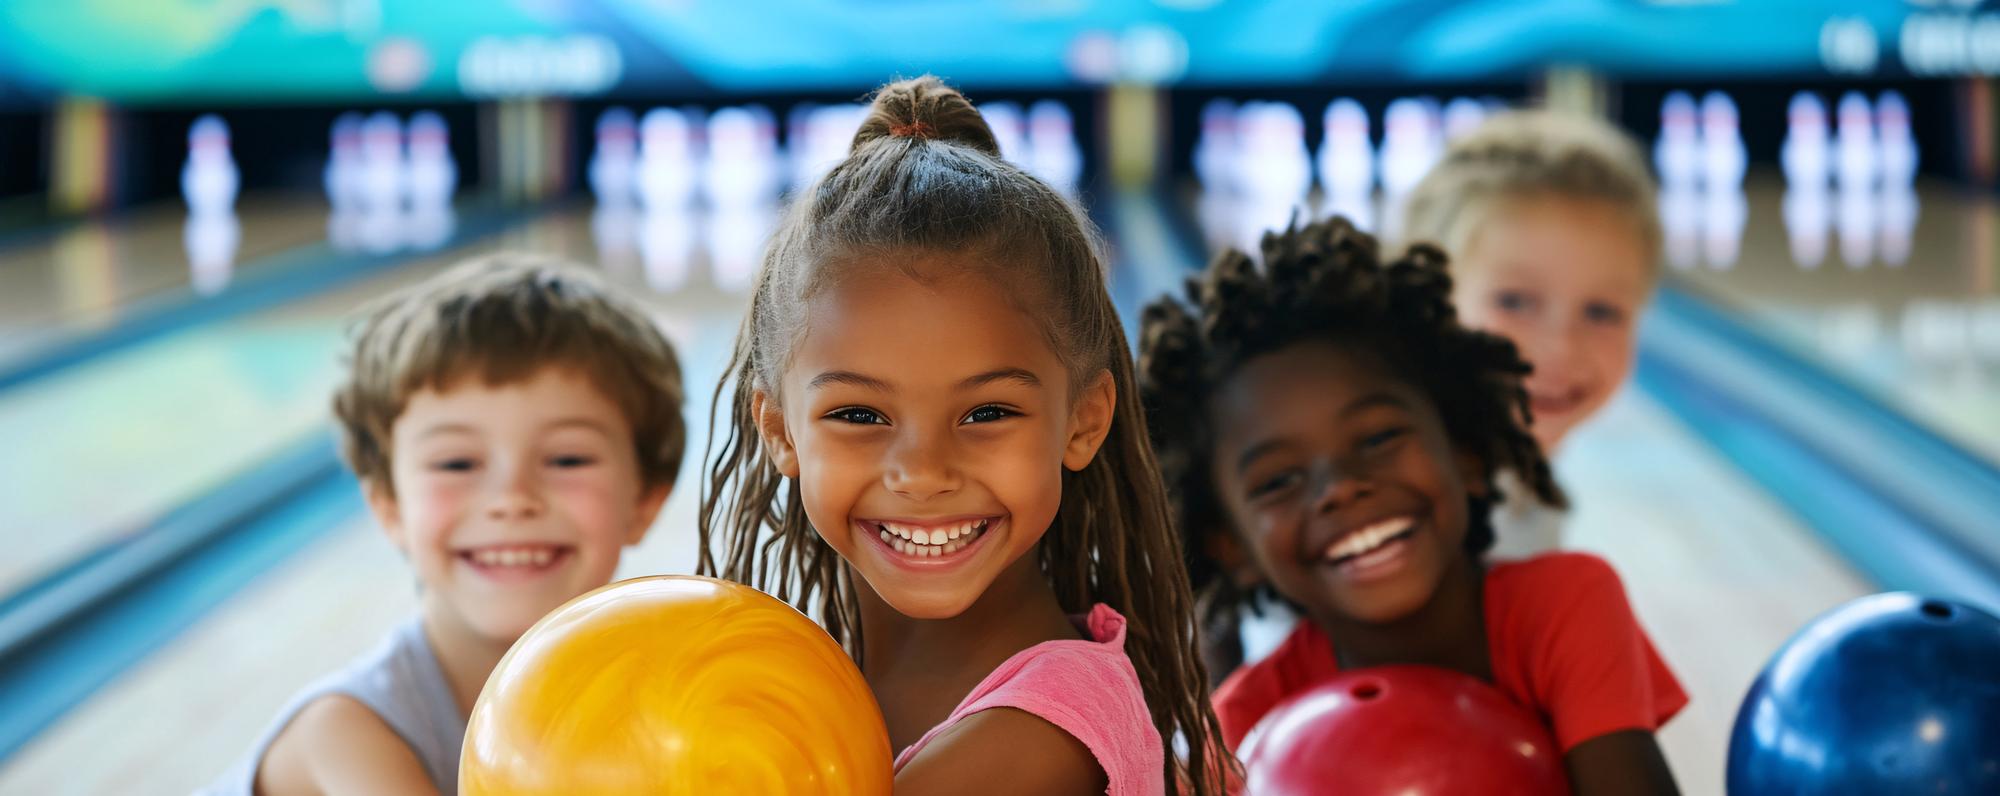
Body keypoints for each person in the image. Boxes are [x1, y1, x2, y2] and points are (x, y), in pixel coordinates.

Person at [699, 75, 1227, 795]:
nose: (921, 471)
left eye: (986, 414)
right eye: (859, 416)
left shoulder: (1043, 735)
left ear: (1085, 421)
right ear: (779, 431)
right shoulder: (818, 675)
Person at [1138, 216, 1684, 794]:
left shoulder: (1565, 607)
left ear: (1466, 455)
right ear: (1232, 547)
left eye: (1378, 440)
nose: (1342, 488)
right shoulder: (1246, 732)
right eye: (1278, 481)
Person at [204, 254, 685, 795]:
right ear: (389, 506)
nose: (511, 499)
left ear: (646, 498)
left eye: (567, 459)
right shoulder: (344, 736)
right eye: (456, 464)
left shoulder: (655, 711)